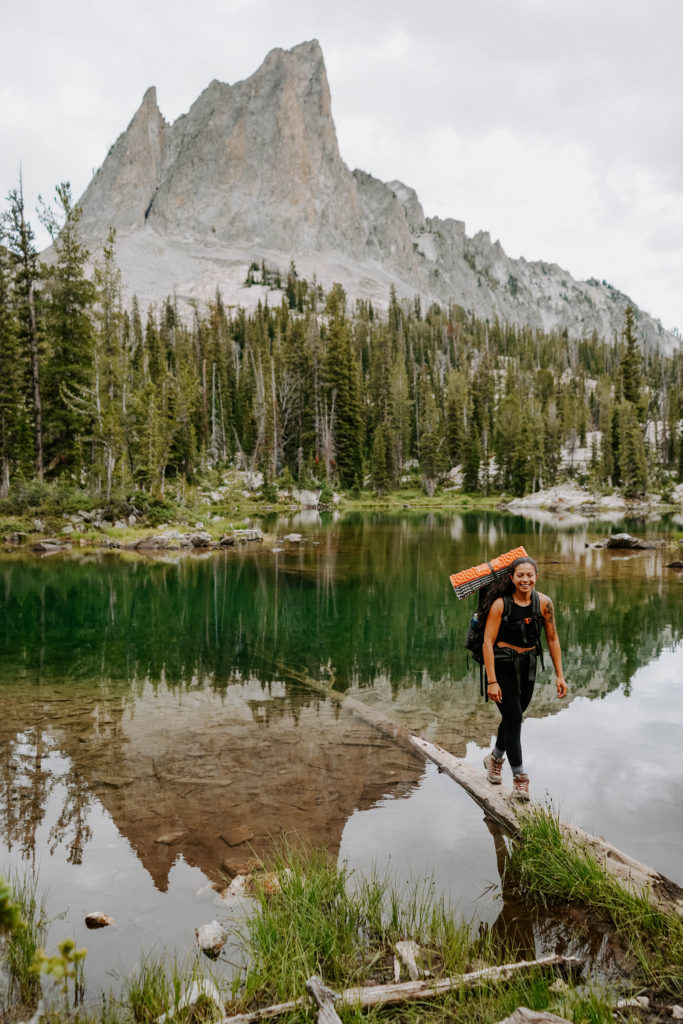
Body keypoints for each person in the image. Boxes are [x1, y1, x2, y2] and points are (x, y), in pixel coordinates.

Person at [480, 556, 567, 800]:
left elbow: (552, 638)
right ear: (511, 578)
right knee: (514, 717)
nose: (525, 580)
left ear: (536, 577)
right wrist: (492, 680)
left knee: (513, 715)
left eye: (530, 575)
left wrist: (560, 675)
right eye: (520, 575)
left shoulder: (544, 604)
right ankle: (520, 779)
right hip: (503, 662)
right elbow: (487, 642)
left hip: (528, 664)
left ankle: (494, 758)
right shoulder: (500, 604)